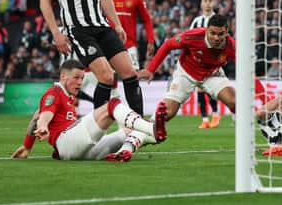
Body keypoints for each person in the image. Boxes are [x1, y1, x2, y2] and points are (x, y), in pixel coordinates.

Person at [112, 15, 236, 158]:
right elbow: (168, 45)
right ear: (207, 30)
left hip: (212, 74)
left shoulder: (231, 46)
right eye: (212, 33)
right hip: (186, 73)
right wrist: (151, 69)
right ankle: (129, 144)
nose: (216, 38)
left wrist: (258, 92)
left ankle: (248, 132)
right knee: (166, 113)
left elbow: (247, 68)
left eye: (221, 34)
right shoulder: (193, 36)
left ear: (227, 32)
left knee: (234, 101)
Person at [11, 60, 167, 162]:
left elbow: (35, 117)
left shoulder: (66, 95)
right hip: (67, 141)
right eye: (76, 78)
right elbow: (42, 117)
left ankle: (127, 149)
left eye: (82, 78)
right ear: (63, 76)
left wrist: (27, 146)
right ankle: (152, 129)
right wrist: (43, 125)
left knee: (129, 131)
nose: (80, 82)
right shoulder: (54, 93)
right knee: (112, 105)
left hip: (78, 150)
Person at [110, 0, 155, 70]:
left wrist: (151, 41)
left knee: (133, 73)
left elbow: (147, 20)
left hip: (130, 44)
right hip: (111, 42)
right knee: (111, 75)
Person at [189, 0, 222, 129]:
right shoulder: (197, 21)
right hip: (199, 60)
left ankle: (215, 115)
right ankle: (205, 119)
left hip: (214, 59)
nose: (208, 4)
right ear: (201, 4)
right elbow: (189, 37)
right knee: (200, 89)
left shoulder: (218, 20)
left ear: (213, 3)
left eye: (210, 1)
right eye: (205, 1)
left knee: (211, 88)